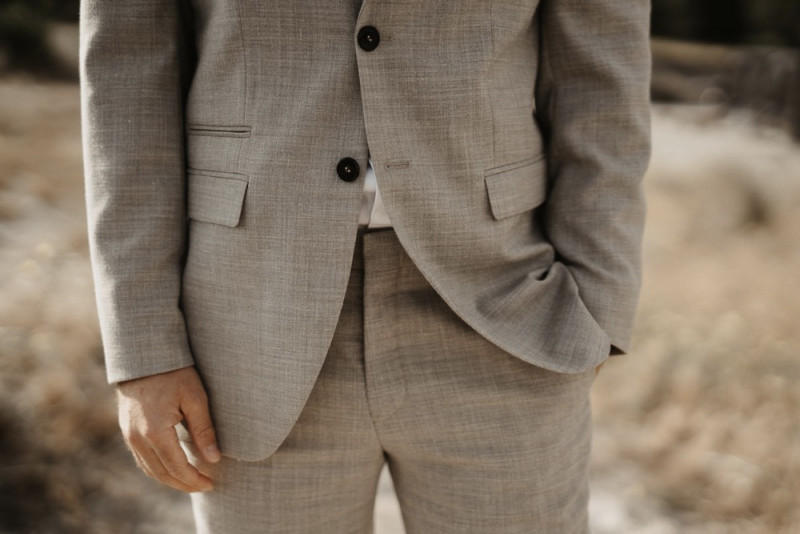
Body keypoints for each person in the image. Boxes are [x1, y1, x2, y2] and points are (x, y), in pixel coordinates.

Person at [80, 1, 651, 532]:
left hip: (503, 309)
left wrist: (599, 305)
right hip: (249, 326)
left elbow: (603, 80)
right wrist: (143, 349)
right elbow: (125, 82)